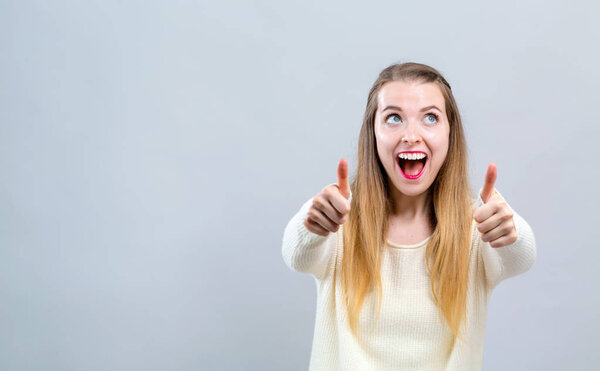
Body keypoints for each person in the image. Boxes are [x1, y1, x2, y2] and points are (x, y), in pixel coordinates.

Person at [281, 62, 537, 371]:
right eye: (393, 118)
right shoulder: (340, 216)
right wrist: (313, 225)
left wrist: (510, 232)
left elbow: (521, 257)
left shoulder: (476, 226)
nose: (411, 135)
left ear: (450, 133)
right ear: (372, 132)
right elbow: (296, 254)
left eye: (430, 118)